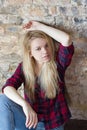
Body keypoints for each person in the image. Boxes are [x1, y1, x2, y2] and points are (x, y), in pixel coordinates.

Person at [0, 21, 74, 130]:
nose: (45, 51)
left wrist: (40, 27)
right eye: (38, 49)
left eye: (47, 46)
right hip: (31, 123)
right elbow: (7, 88)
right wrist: (25, 105)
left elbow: (66, 39)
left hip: (53, 124)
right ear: (30, 53)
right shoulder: (24, 67)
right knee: (3, 101)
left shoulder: (58, 64)